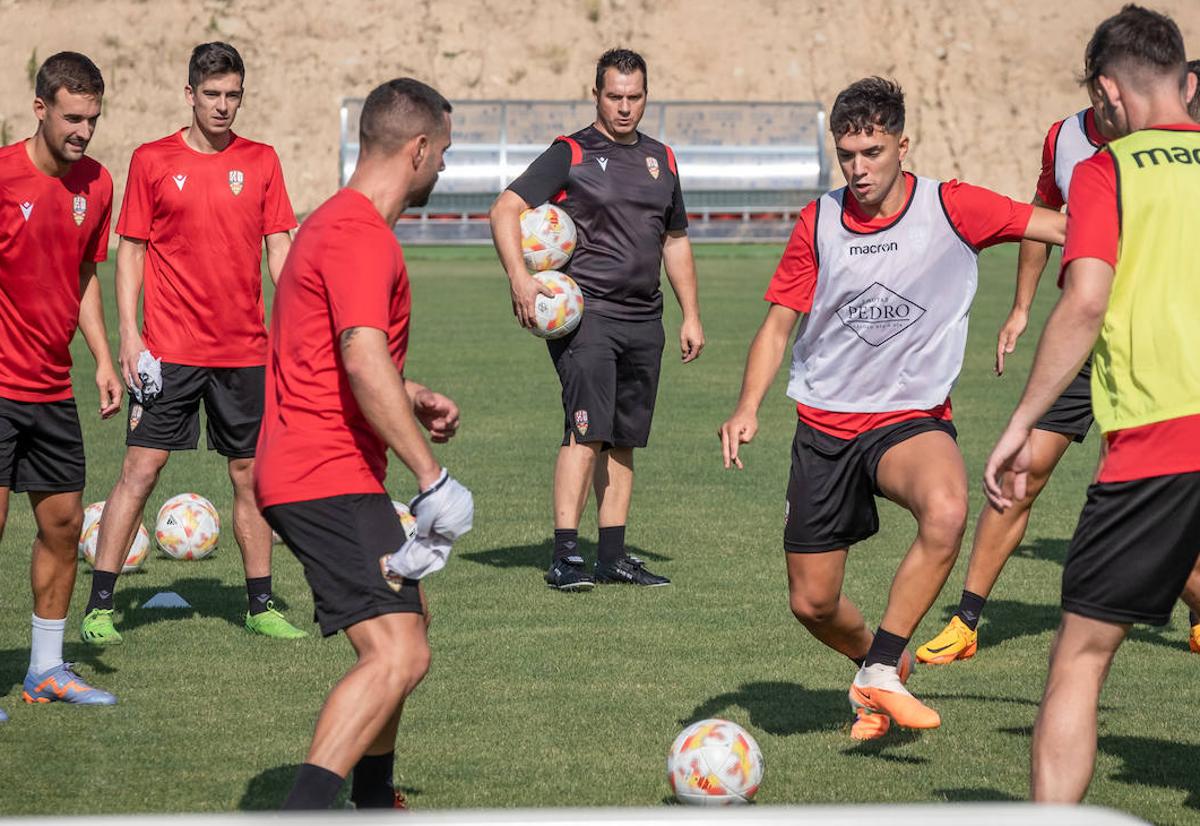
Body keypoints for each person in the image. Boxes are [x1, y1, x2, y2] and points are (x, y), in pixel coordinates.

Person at [718, 76, 1065, 740]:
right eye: (846, 154)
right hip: (823, 423)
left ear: (903, 144)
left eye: (871, 152)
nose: (858, 168)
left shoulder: (952, 206)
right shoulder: (818, 221)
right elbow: (777, 325)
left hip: (909, 416)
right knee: (813, 602)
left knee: (948, 508)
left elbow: (1055, 224)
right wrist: (747, 406)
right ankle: (883, 659)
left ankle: (879, 671)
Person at [983, 4, 1200, 802]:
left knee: (1079, 655)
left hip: (1159, 448)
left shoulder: (1106, 172)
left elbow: (1084, 302)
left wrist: (1019, 423)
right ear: (1184, 79)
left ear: (1107, 94)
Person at [255, 77, 472, 811]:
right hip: (323, 472)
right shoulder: (358, 236)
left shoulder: (329, 223)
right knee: (398, 652)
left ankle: (376, 798)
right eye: (442, 151)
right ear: (417, 149)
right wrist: (431, 476)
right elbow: (358, 354)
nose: (442, 166)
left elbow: (328, 352)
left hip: (318, 465)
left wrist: (409, 397)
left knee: (409, 628)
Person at [79, 42, 303, 645]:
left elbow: (279, 247)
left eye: (233, 95)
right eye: (212, 95)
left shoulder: (262, 160)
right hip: (168, 350)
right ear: (190, 95)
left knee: (250, 476)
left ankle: (260, 603)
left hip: (245, 352)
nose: (223, 106)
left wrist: (304, 314)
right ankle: (100, 604)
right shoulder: (152, 159)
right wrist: (129, 335)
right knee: (140, 470)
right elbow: (131, 251)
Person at [914, 91, 1118, 665]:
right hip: (1083, 334)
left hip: (1153, 341)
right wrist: (1023, 305)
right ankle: (967, 621)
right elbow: (1039, 218)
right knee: (1022, 470)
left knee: (1152, 488)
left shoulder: (1170, 148)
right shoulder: (1065, 139)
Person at [489, 48, 703, 591]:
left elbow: (674, 239)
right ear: (596, 95)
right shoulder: (571, 153)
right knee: (586, 432)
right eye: (614, 97)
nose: (625, 107)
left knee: (624, 439)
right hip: (587, 316)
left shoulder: (664, 159)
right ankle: (565, 556)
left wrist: (691, 314)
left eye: (634, 97)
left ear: (646, 96)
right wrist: (519, 277)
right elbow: (504, 208)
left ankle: (612, 557)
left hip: (644, 317)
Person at [0, 51, 122, 718]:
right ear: (41, 108)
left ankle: (45, 669)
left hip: (50, 387)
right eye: (72, 117)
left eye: (93, 119)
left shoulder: (97, 184)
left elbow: (81, 275)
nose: (83, 131)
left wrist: (101, 358)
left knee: (63, 524)